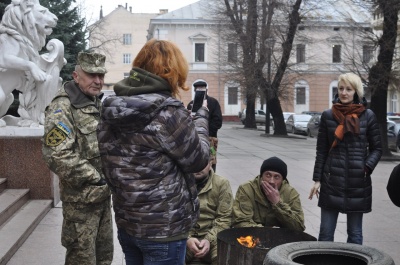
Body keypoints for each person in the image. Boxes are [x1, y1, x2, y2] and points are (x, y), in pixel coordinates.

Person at [96, 39, 210, 265]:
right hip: (163, 229)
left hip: (128, 223)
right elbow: (198, 160)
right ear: (172, 71)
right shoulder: (167, 112)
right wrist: (201, 119)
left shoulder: (110, 108)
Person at [42, 52, 113, 265]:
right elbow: (57, 154)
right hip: (80, 205)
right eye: (92, 75)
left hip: (101, 200)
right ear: (76, 75)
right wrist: (96, 178)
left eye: (101, 75)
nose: (98, 81)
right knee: (82, 260)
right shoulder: (62, 107)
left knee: (104, 257)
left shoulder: (95, 103)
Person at [309, 72, 382, 245]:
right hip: (331, 180)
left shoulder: (368, 116)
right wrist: (317, 179)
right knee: (326, 234)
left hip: (358, 183)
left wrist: (366, 168)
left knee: (355, 235)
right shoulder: (328, 115)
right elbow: (322, 151)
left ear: (356, 91)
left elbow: (377, 148)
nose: (344, 93)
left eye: (348, 89)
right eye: (341, 88)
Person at [185, 147, 233, 265]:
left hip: (213, 237)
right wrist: (187, 239)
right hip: (184, 236)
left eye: (203, 163)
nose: (198, 167)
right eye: (194, 162)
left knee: (223, 258)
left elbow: (224, 219)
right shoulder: (179, 182)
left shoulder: (222, 184)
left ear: (211, 162)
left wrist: (208, 240)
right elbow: (172, 218)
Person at [232, 156, 305, 231]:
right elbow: (241, 221)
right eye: (268, 175)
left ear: (282, 180)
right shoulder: (246, 189)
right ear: (261, 176)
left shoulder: (291, 193)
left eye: (276, 177)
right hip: (252, 237)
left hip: (281, 238)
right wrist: (268, 231)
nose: (271, 181)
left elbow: (299, 227)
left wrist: (277, 203)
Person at [187, 80, 222, 172]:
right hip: (195, 138)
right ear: (194, 90)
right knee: (196, 160)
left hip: (210, 139)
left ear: (206, 90)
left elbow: (218, 121)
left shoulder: (213, 102)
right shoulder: (191, 104)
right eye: (197, 89)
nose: (199, 91)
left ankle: (212, 179)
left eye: (202, 89)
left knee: (211, 161)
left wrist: (208, 132)